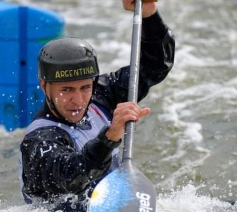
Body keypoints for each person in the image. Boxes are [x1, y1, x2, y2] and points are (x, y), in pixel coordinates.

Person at [19, 0, 175, 211]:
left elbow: (154, 66)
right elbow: (71, 176)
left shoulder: (101, 95)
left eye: (85, 87)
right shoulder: (38, 141)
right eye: (66, 90)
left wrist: (149, 14)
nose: (78, 100)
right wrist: (109, 138)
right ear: (44, 85)